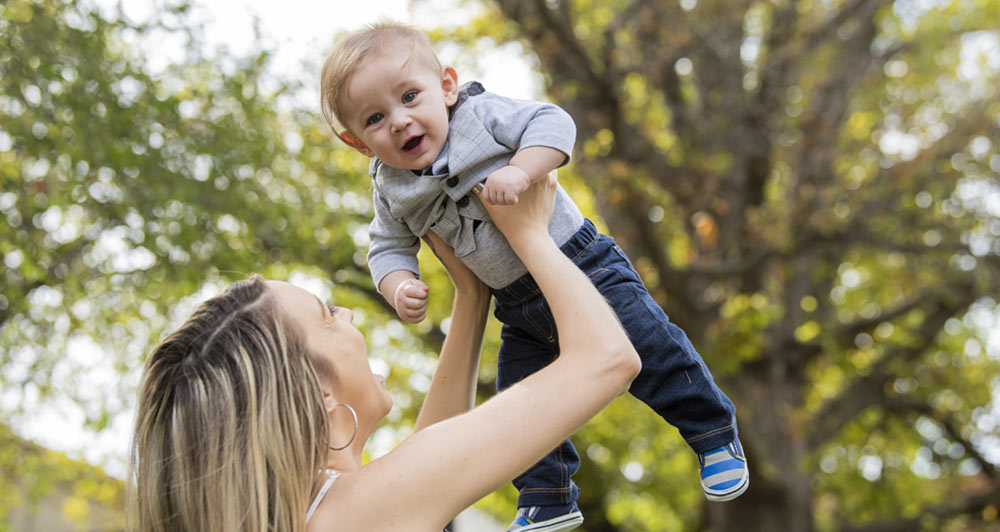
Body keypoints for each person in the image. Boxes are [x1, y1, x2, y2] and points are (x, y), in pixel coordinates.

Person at [319, 23, 750, 532]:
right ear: (359, 144)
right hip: (515, 303)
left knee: (652, 346)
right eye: (375, 118)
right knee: (518, 392)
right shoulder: (389, 189)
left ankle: (711, 429)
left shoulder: (480, 114)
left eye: (410, 96)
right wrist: (398, 285)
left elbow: (552, 123)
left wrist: (522, 170)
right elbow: (387, 246)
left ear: (448, 87)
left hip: (584, 264)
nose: (399, 121)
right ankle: (548, 496)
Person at [127, 176, 642, 532]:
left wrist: (471, 298)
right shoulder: (353, 513)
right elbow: (606, 358)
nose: (348, 316)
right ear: (318, 391)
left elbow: (424, 469)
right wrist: (528, 233)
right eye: (328, 316)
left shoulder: (326, 513)